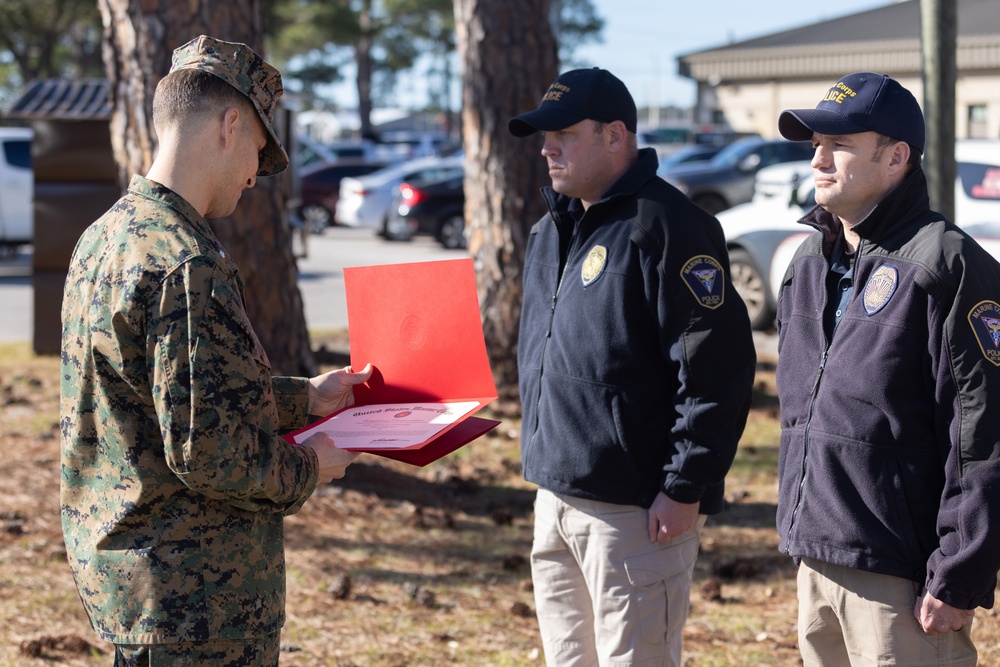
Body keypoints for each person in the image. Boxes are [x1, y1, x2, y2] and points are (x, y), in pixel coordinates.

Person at [59, 35, 371, 666]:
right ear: (231, 124)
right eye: (258, 150)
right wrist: (311, 464)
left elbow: (164, 395)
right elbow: (210, 452)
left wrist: (305, 399)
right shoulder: (186, 260)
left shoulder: (106, 236)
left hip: (137, 589)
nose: (256, 176)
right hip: (198, 609)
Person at [509, 67, 757, 667]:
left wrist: (683, 486)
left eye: (564, 132)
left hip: (636, 514)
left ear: (616, 135)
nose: (547, 147)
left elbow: (716, 369)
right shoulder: (550, 229)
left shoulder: (671, 227)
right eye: (544, 135)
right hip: (555, 497)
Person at [774, 71, 1000, 665]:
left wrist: (959, 570)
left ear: (897, 156)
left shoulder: (945, 264)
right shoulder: (808, 262)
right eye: (816, 143)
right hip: (816, 557)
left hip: (903, 576)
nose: (819, 158)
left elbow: (981, 433)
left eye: (841, 143)